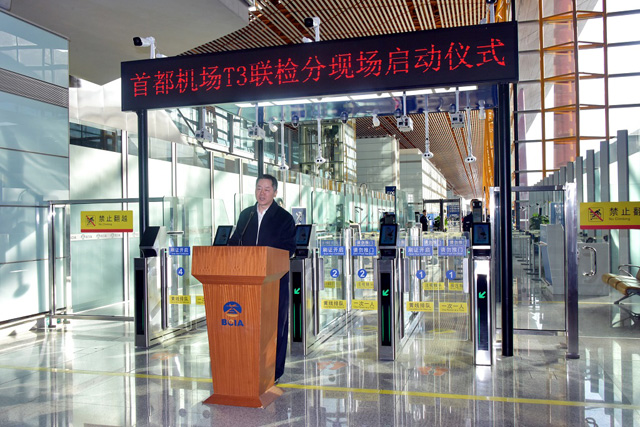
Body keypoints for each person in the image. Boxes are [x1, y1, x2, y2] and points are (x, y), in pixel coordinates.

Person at [228, 174, 295, 384]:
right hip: (247, 280)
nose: (262, 193)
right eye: (259, 188)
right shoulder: (246, 215)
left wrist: (265, 258)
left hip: (274, 282)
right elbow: (235, 241)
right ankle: (248, 367)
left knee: (275, 327)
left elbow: (289, 249)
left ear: (275, 192)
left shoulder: (284, 218)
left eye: (267, 189)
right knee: (248, 326)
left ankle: (274, 372)